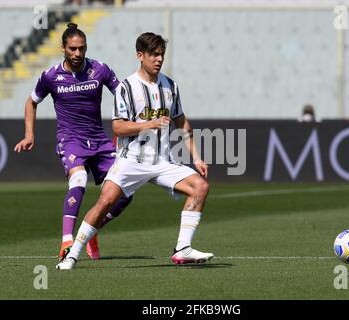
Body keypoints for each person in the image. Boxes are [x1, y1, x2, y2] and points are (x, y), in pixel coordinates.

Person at [56, 32, 213, 270]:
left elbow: (181, 121)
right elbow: (118, 126)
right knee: (105, 202)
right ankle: (72, 255)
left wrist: (197, 157)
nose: (158, 59)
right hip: (131, 160)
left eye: (161, 54)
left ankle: (182, 248)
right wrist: (147, 124)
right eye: (153, 54)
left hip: (161, 161)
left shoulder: (171, 86)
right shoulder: (127, 88)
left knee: (200, 187)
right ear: (140, 56)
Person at [14, 23, 133, 261]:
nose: (78, 53)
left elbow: (123, 95)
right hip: (70, 139)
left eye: (82, 48)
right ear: (63, 48)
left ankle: (92, 229)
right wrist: (29, 134)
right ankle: (67, 242)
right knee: (78, 179)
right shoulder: (50, 76)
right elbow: (31, 102)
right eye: (72, 49)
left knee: (126, 193)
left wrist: (123, 128)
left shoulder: (100, 70)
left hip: (99, 141)